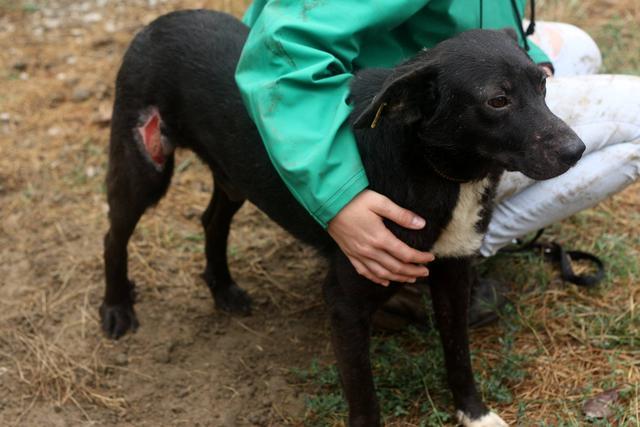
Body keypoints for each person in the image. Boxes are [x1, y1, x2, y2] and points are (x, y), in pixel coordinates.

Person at [235, 1, 640, 324]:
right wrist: (339, 194)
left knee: (579, 47)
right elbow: (279, 52)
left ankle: (457, 241)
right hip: (398, 133)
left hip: (452, 81)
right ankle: (442, 253)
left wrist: (525, 60)